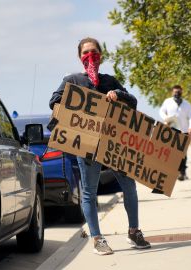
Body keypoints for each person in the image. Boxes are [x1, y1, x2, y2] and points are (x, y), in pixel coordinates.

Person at [49, 37, 151, 255]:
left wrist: (118, 94)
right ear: (79, 57)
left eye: (94, 52)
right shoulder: (72, 80)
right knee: (89, 192)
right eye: (86, 53)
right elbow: (54, 101)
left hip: (114, 144)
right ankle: (97, 239)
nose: (90, 56)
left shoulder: (109, 80)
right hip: (87, 145)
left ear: (101, 56)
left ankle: (134, 231)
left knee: (129, 186)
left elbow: (132, 102)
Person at [159, 85, 191, 180]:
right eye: (175, 92)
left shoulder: (187, 104)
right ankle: (176, 172)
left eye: (178, 92)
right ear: (172, 92)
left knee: (183, 153)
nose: (177, 94)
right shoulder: (167, 102)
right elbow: (161, 111)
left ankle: (182, 173)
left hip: (184, 130)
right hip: (172, 130)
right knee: (173, 153)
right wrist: (166, 119)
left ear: (181, 92)